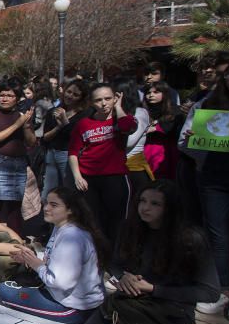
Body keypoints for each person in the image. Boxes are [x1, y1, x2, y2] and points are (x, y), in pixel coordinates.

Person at [72, 180, 219, 324]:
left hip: (167, 308)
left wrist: (153, 289)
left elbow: (210, 292)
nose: (145, 208)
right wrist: (123, 277)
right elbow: (114, 262)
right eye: (142, 201)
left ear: (170, 208)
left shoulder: (191, 238)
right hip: (128, 301)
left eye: (155, 204)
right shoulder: (130, 227)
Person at [181, 58, 229, 321]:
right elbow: (185, 142)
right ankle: (222, 289)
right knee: (218, 235)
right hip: (214, 180)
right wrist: (198, 145)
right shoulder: (207, 105)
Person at [0, 187, 106, 324]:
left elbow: (60, 283)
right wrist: (31, 256)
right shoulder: (62, 227)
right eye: (46, 203)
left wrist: (35, 264)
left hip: (72, 308)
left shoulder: (72, 237)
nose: (46, 208)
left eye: (54, 205)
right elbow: (57, 259)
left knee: (4, 289)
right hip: (69, 300)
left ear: (70, 210)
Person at [68, 83, 136, 245]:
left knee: (117, 220)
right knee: (92, 221)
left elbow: (128, 127)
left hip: (115, 177)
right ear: (92, 102)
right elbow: (72, 152)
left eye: (108, 98)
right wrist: (77, 176)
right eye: (98, 100)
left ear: (115, 99)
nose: (104, 103)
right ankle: (98, 257)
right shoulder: (83, 123)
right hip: (88, 179)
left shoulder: (121, 119)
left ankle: (116, 257)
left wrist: (118, 107)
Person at [0, 78, 35, 234]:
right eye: (2, 95)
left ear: (17, 98)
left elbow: (31, 142)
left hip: (18, 165)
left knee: (15, 206)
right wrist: (17, 124)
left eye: (9, 95)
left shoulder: (21, 115)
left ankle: (14, 239)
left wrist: (25, 126)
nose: (4, 98)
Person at [39, 79, 88, 198]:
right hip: (51, 153)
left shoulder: (84, 115)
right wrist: (59, 126)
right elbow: (45, 137)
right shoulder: (53, 111)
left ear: (81, 98)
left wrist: (65, 121)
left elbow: (76, 138)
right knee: (48, 192)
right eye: (69, 92)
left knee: (68, 190)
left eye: (76, 95)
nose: (70, 96)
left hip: (69, 156)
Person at [113, 78, 153, 197]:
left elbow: (129, 142)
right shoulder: (110, 113)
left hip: (133, 168)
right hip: (113, 168)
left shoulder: (140, 113)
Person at [143, 80, 183, 179]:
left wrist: (156, 127)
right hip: (147, 150)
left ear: (164, 94)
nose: (151, 95)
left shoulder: (176, 110)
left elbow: (172, 128)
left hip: (167, 151)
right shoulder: (142, 111)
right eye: (148, 92)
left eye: (156, 92)